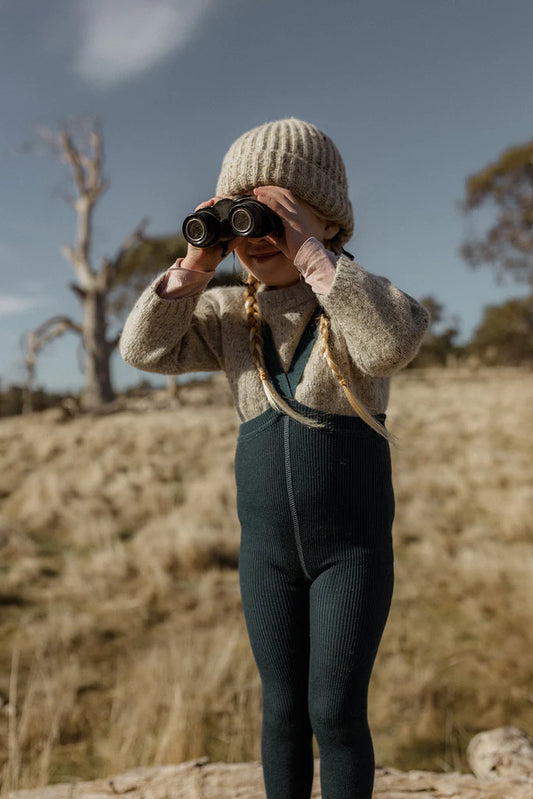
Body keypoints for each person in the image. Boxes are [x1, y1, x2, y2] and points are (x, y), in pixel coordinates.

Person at [120, 118, 430, 799]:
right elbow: (144, 350)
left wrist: (314, 255)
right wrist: (198, 262)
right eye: (242, 215)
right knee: (282, 709)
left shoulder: (363, 303)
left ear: (329, 220)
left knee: (333, 710)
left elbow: (385, 346)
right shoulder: (231, 315)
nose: (255, 232)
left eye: (275, 211)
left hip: (348, 552)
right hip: (265, 553)